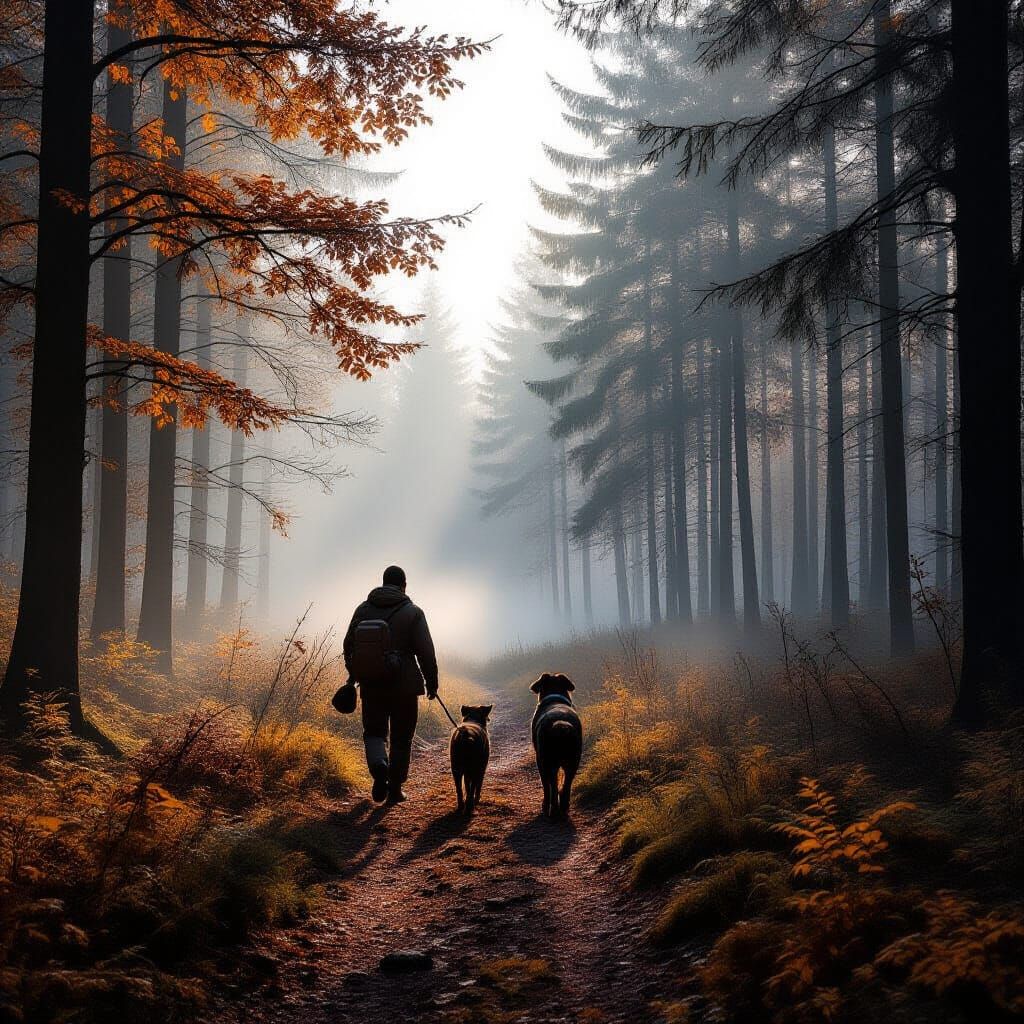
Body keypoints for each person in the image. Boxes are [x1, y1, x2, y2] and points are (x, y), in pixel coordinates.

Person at [342, 565, 438, 804]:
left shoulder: (363, 610)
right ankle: (394, 788)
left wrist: (357, 673)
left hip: (371, 685)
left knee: (374, 733)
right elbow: (426, 651)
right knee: (401, 738)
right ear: (404, 585)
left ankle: (379, 769)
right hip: (405, 687)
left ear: (383, 582)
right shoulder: (413, 612)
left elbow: (348, 645)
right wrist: (431, 682)